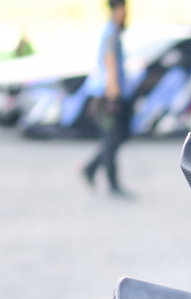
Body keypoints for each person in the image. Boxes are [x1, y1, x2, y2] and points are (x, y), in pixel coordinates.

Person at [80, 0, 130, 197]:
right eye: (124, 9)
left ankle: (91, 169)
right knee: (112, 138)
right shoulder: (111, 32)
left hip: (107, 93)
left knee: (115, 137)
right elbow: (110, 61)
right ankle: (111, 183)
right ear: (118, 9)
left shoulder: (111, 31)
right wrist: (114, 95)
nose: (126, 14)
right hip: (108, 94)